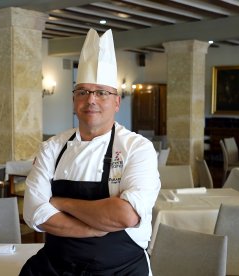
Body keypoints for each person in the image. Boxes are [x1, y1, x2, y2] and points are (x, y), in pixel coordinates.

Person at [20, 28, 160, 276]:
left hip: (120, 269)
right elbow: (34, 213)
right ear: (74, 101)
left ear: (116, 102)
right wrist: (94, 228)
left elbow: (125, 216)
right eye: (83, 92)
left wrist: (60, 202)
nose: (91, 100)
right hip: (56, 267)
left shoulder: (137, 148)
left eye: (101, 92)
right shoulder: (52, 147)